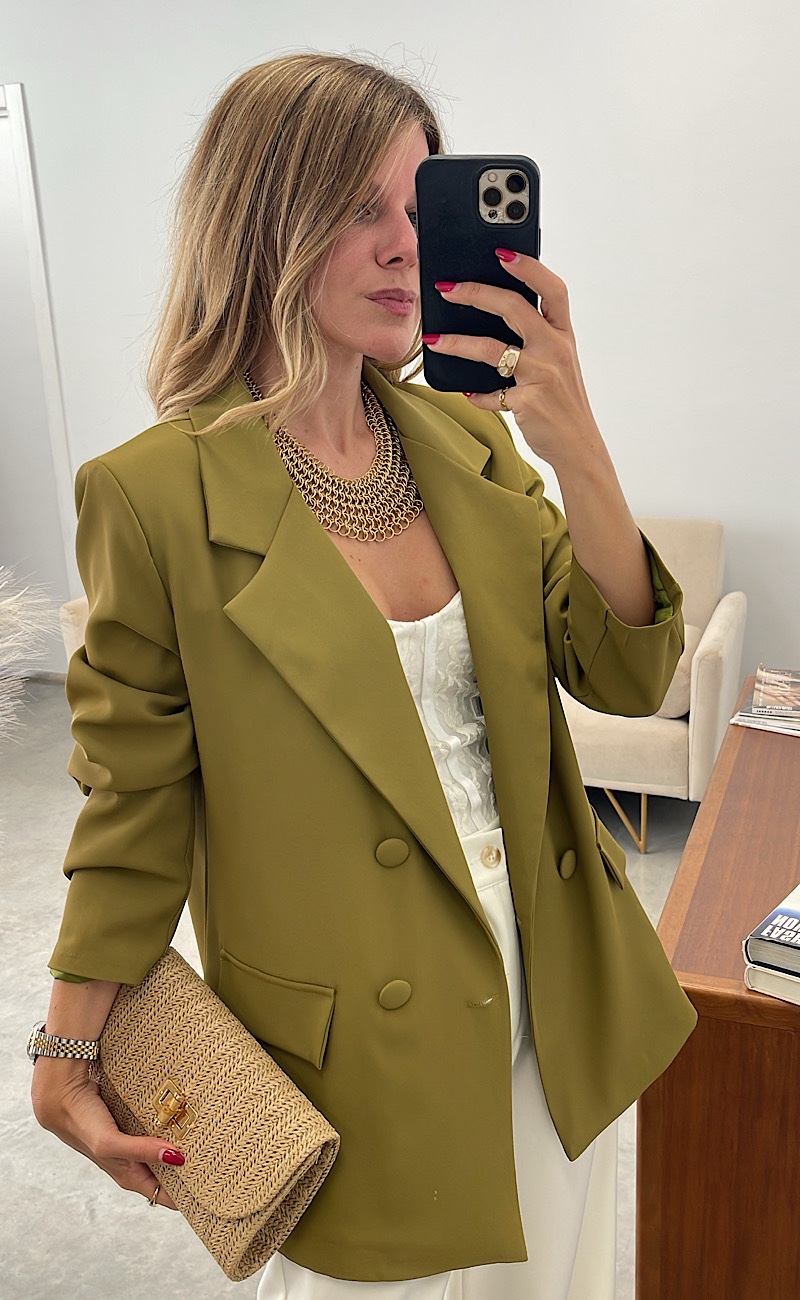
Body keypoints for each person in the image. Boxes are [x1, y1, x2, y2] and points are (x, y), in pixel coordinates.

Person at [30, 52, 696, 1300]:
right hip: (356, 1054)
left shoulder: (468, 438)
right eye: (358, 207)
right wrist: (67, 1046)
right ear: (262, 220)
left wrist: (578, 445)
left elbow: (621, 669)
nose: (404, 245)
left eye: (418, 204)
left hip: (553, 1008)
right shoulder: (151, 495)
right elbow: (133, 803)